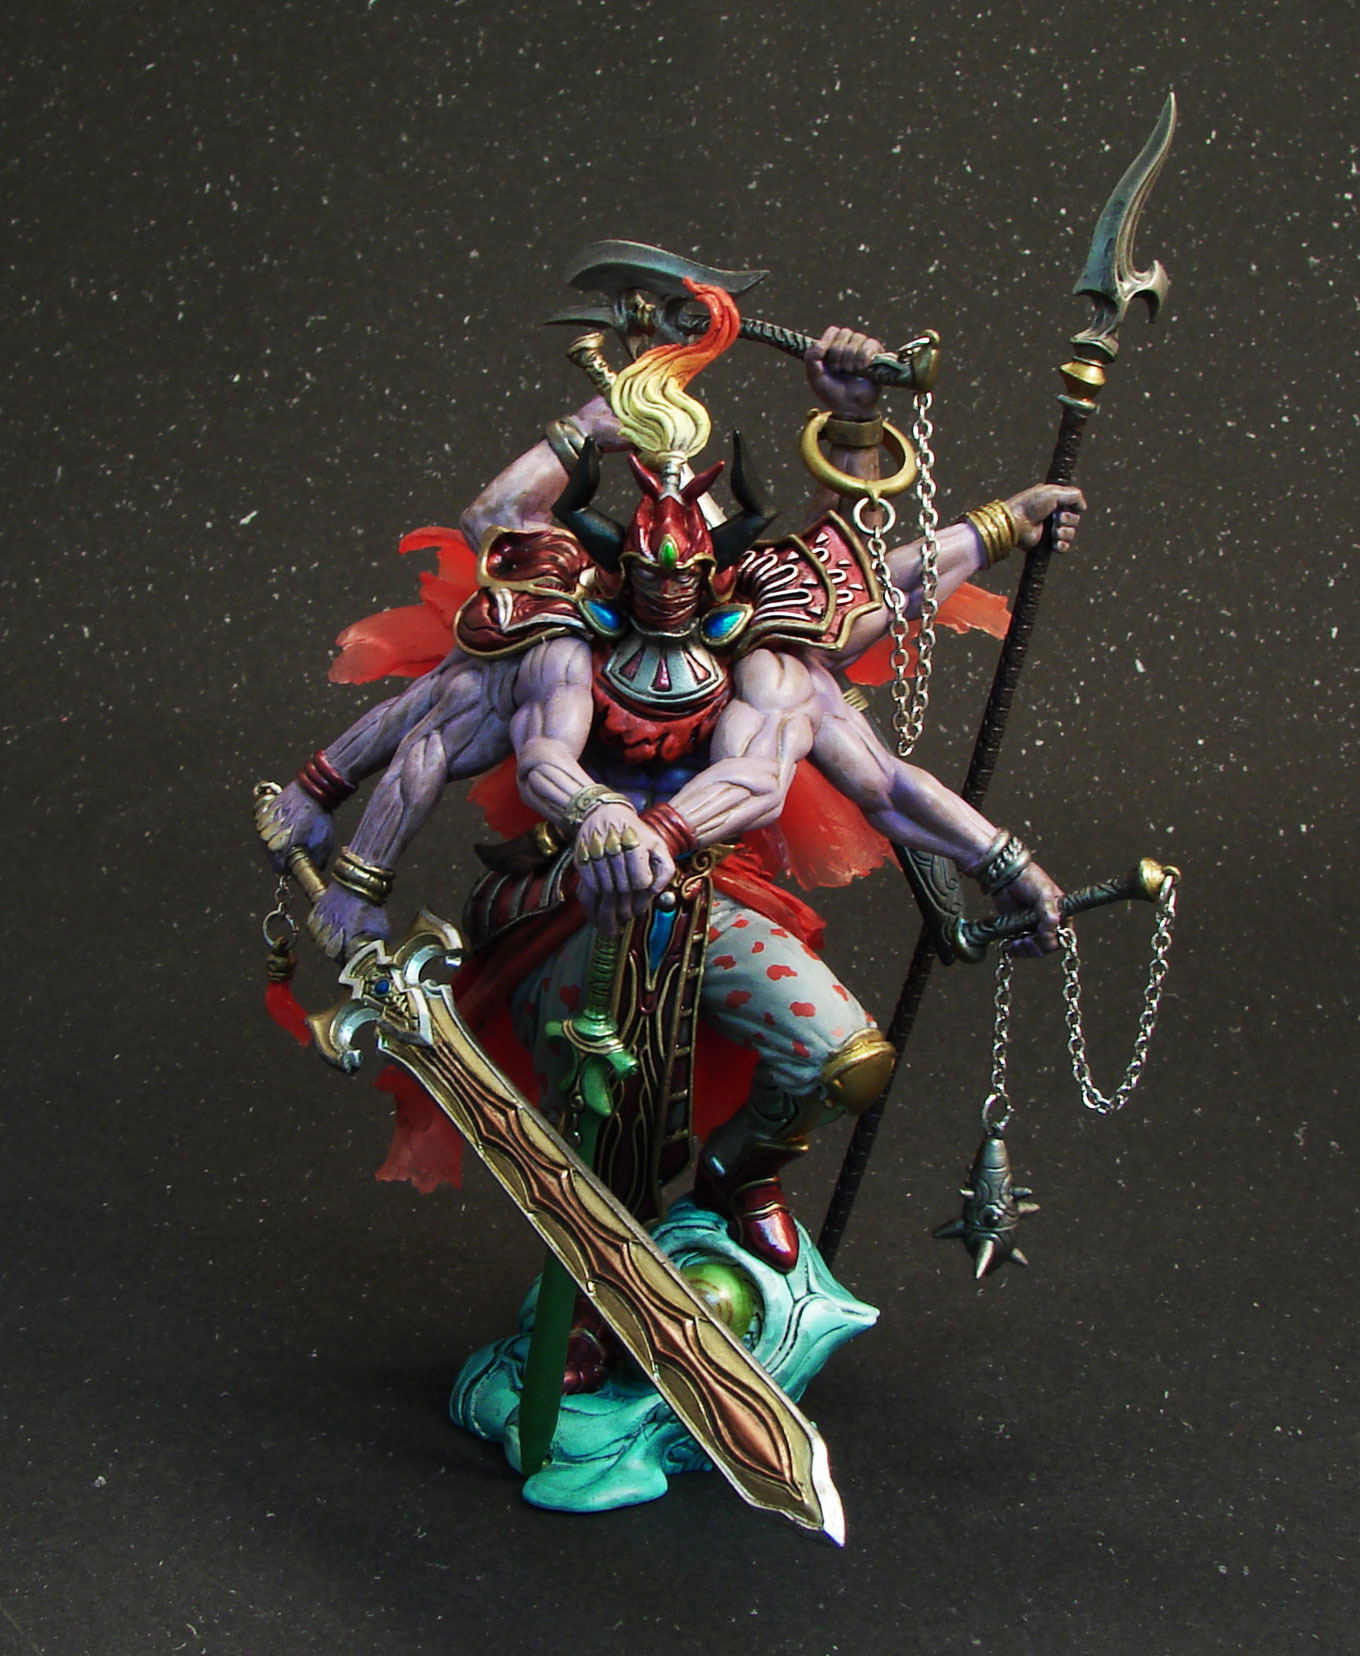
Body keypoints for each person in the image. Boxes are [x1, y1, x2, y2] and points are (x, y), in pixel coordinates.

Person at [261, 281, 1082, 1385]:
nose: (664, 593)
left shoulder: (768, 654)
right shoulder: (566, 636)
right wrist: (598, 819)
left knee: (841, 1058)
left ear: (717, 570)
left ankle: (741, 1177)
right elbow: (534, 745)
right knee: (601, 1139)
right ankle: (598, 1314)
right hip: (571, 906)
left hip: (709, 896)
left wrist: (1006, 864)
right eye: (646, 573)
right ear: (620, 565)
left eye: (685, 576)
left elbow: (875, 775)